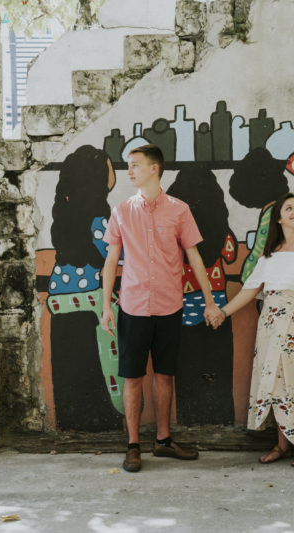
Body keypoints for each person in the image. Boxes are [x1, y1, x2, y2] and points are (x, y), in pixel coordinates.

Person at [101, 144, 222, 473]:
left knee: (166, 375)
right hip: (133, 307)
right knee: (132, 378)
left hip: (170, 307)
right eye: (129, 166)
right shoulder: (122, 211)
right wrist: (106, 307)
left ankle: (164, 440)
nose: (130, 171)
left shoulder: (179, 210)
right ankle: (132, 445)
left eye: (135, 165)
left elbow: (195, 257)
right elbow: (111, 260)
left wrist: (210, 301)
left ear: (154, 168)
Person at [213, 193, 294, 468]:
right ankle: (283, 445)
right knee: (276, 382)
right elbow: (250, 290)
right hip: (269, 325)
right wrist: (223, 312)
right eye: (288, 208)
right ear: (279, 219)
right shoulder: (270, 255)